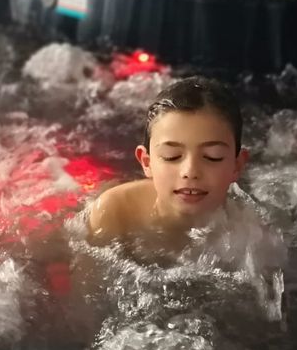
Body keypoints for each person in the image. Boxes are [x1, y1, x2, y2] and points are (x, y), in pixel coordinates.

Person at [88, 76, 248, 255]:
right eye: (171, 156)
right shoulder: (115, 213)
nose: (190, 171)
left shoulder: (251, 234)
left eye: (213, 157)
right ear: (146, 162)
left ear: (237, 165)